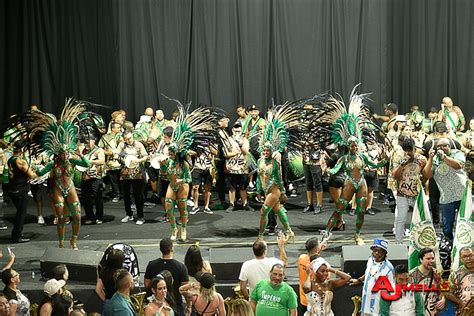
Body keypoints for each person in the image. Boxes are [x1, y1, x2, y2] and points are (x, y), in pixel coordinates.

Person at [422, 137, 466, 240]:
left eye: (444, 146)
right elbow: (426, 174)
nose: (441, 148)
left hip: (462, 195)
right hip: (446, 198)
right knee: (447, 228)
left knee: (465, 223)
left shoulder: (457, 153)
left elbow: (458, 165)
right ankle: (449, 245)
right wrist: (430, 159)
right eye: (439, 146)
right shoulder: (435, 158)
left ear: (449, 146)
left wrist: (445, 157)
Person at [391, 137, 427, 244]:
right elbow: (395, 176)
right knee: (400, 219)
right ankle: (398, 243)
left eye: (410, 150)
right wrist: (402, 164)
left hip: (417, 193)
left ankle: (417, 242)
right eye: (405, 150)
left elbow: (427, 175)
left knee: (418, 219)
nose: (408, 153)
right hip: (402, 193)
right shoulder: (400, 159)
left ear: (414, 148)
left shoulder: (421, 160)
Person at [348, 238, 395, 316]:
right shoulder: (370, 260)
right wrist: (359, 280)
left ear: (384, 253)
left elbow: (391, 290)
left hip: (378, 308)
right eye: (375, 250)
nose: (377, 253)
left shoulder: (388, 268)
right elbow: (369, 273)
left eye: (380, 251)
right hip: (366, 304)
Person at [144, 238, 189, 315]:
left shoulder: (151, 265)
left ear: (160, 249)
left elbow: (147, 284)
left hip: (156, 305)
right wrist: (189, 305)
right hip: (176, 305)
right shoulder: (181, 267)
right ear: (172, 248)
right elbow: (185, 289)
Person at [239, 236, 287, 300]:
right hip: (271, 300)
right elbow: (284, 262)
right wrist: (281, 246)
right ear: (265, 251)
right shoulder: (274, 262)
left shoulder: (246, 265)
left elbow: (242, 287)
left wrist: (249, 299)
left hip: (255, 301)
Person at [119, 130, 149, 225]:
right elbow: (117, 155)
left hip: (137, 173)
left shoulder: (139, 144)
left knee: (138, 195)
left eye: (130, 138)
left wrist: (138, 160)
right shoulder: (121, 146)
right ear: (124, 139)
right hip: (125, 173)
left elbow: (145, 156)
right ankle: (129, 214)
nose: (129, 140)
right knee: (126, 195)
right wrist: (123, 160)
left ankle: (140, 216)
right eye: (127, 139)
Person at [224, 122, 253, 213]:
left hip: (242, 168)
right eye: (235, 128)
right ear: (232, 129)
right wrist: (234, 153)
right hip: (232, 168)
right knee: (232, 188)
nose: (237, 130)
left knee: (243, 187)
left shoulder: (245, 140)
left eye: (239, 128)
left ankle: (245, 204)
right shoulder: (228, 140)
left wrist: (240, 145)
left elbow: (245, 152)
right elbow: (226, 154)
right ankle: (231, 204)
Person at [409, 248, 445, 315]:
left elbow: (445, 289)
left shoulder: (437, 273)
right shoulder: (411, 275)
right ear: (421, 259)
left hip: (433, 312)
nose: (431, 261)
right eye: (428, 259)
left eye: (432, 258)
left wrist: (443, 299)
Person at [81, 136, 106, 224]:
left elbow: (102, 161)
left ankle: (99, 216)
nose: (86, 144)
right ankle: (90, 217)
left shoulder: (99, 150)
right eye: (85, 142)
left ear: (94, 141)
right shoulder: (83, 150)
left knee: (97, 197)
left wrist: (89, 161)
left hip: (96, 177)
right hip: (85, 176)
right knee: (86, 197)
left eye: (88, 142)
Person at [98, 120, 123, 202]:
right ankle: (117, 194)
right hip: (111, 162)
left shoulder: (121, 136)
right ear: (113, 129)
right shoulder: (105, 138)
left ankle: (123, 193)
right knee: (113, 179)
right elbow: (99, 148)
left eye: (120, 127)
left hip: (121, 161)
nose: (119, 129)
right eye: (118, 128)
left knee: (122, 179)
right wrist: (107, 152)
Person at [297, 237, 323, 315]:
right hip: (315, 302)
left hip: (304, 299)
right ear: (317, 248)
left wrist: (318, 250)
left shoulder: (301, 258)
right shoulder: (320, 264)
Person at [446, 247, 474, 316]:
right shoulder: (454, 273)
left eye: (470, 255)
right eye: (465, 257)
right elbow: (445, 291)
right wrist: (460, 302)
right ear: (461, 259)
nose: (468, 259)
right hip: (464, 311)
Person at [302, 139, 324, 215]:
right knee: (308, 183)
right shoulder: (303, 131)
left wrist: (312, 142)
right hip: (306, 160)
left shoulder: (317, 131)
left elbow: (321, 143)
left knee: (317, 183)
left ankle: (319, 205)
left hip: (316, 161)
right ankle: (310, 204)